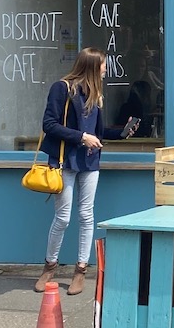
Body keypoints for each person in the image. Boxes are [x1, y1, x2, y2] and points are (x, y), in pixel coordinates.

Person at [35, 47, 133, 296]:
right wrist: (81, 138)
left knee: (87, 215)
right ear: (91, 66)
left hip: (89, 161)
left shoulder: (96, 94)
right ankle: (49, 266)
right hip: (64, 159)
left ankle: (81, 270)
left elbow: (97, 133)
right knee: (64, 217)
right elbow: (49, 124)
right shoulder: (62, 88)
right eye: (102, 65)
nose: (105, 70)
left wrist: (121, 132)